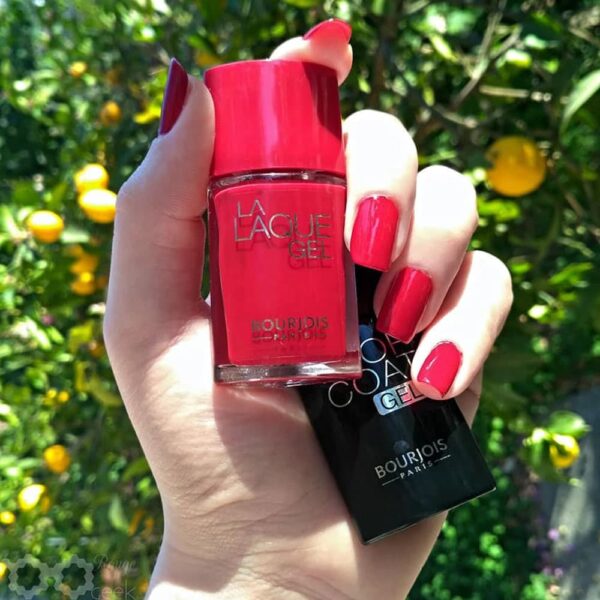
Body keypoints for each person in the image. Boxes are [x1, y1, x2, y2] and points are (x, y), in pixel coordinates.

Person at [104, 19, 513, 599]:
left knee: (368, 271)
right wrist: (257, 577)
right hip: (268, 394)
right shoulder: (222, 196)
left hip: (352, 403)